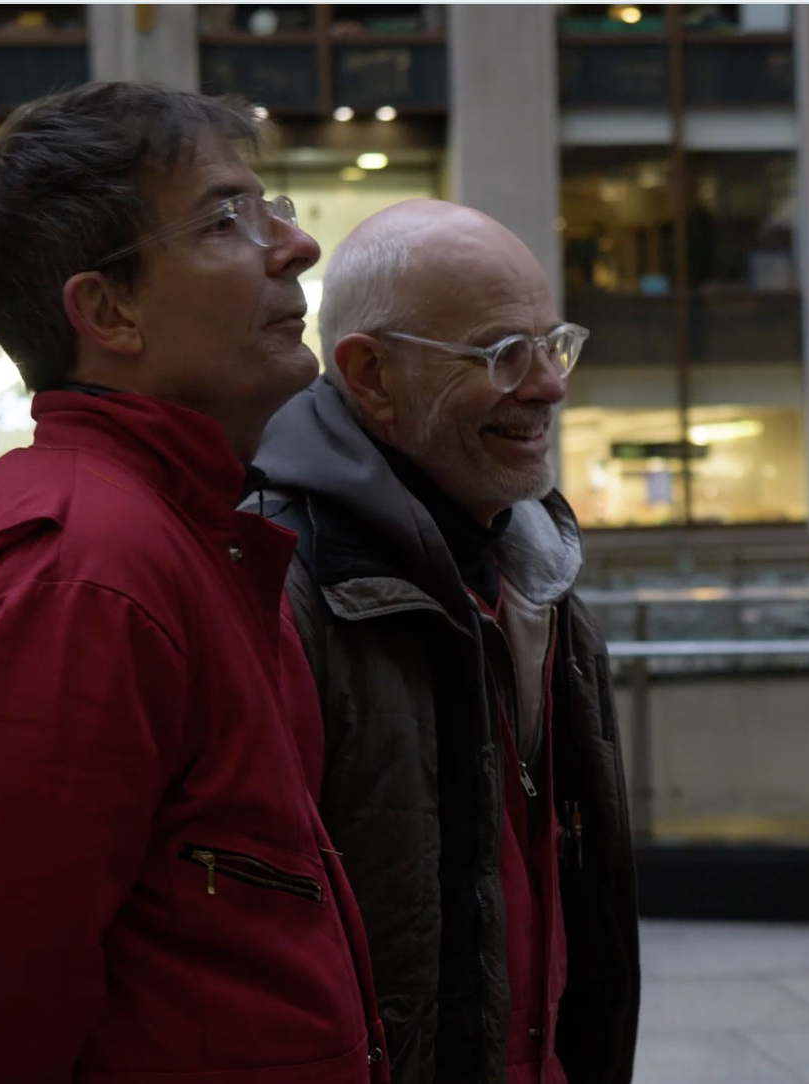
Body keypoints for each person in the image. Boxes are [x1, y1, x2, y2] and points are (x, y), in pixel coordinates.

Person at [0, 82, 389, 1081]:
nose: (297, 247)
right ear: (108, 309)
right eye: (225, 220)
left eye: (274, 210)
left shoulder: (174, 535)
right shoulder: (83, 575)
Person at [250, 200, 640, 1084]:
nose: (549, 385)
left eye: (555, 344)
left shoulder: (535, 571)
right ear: (372, 375)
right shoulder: (279, 585)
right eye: (503, 354)